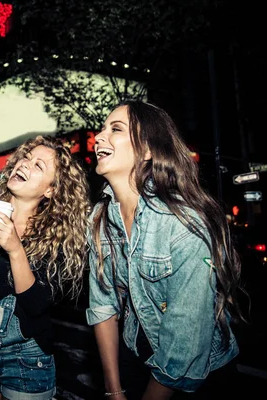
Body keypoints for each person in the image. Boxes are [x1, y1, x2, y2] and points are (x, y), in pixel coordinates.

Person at [86, 100, 244, 399]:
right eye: (102, 128)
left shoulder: (183, 222)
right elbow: (103, 305)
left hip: (202, 377)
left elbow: (184, 346)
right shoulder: (99, 217)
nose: (99, 137)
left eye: (115, 129)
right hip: (138, 358)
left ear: (147, 150)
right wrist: (113, 390)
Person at [0, 135, 91, 400]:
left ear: (51, 189)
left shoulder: (57, 237)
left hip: (27, 354)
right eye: (26, 158)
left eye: (39, 165)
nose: (25, 164)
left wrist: (15, 249)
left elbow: (36, 305)